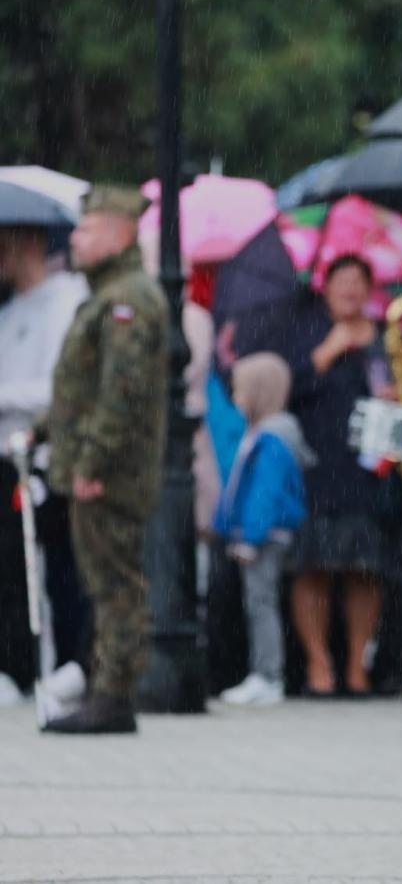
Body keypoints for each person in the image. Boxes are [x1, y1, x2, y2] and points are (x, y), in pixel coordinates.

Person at [42, 185, 167, 735]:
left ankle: (115, 695)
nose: (76, 238)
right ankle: (106, 688)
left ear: (120, 234)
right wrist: (43, 432)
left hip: (111, 474)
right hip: (94, 466)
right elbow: (83, 389)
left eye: (88, 229)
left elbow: (122, 392)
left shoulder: (129, 300)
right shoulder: (110, 293)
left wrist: (91, 464)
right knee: (103, 583)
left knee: (116, 586)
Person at [287, 253, 387, 697]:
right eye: (341, 281)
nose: (349, 290)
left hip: (368, 471)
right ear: (325, 288)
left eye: (357, 282)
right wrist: (328, 352)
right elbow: (288, 387)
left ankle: (357, 666)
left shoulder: (386, 339)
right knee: (313, 566)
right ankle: (317, 665)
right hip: (316, 466)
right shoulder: (305, 329)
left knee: (364, 568)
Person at [0, 223, 87, 694]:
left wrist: (6, 395)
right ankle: (14, 668)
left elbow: (60, 387)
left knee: (60, 566)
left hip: (45, 454)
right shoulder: (9, 309)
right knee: (9, 566)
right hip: (4, 454)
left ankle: (72, 664)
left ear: (28, 242)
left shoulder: (67, 300)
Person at [212, 352, 313, 707]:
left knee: (261, 603)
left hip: (264, 538)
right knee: (258, 602)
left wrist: (251, 537)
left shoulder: (272, 439)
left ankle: (268, 675)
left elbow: (265, 495)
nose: (236, 399)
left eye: (241, 391)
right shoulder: (262, 435)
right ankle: (264, 673)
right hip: (257, 534)